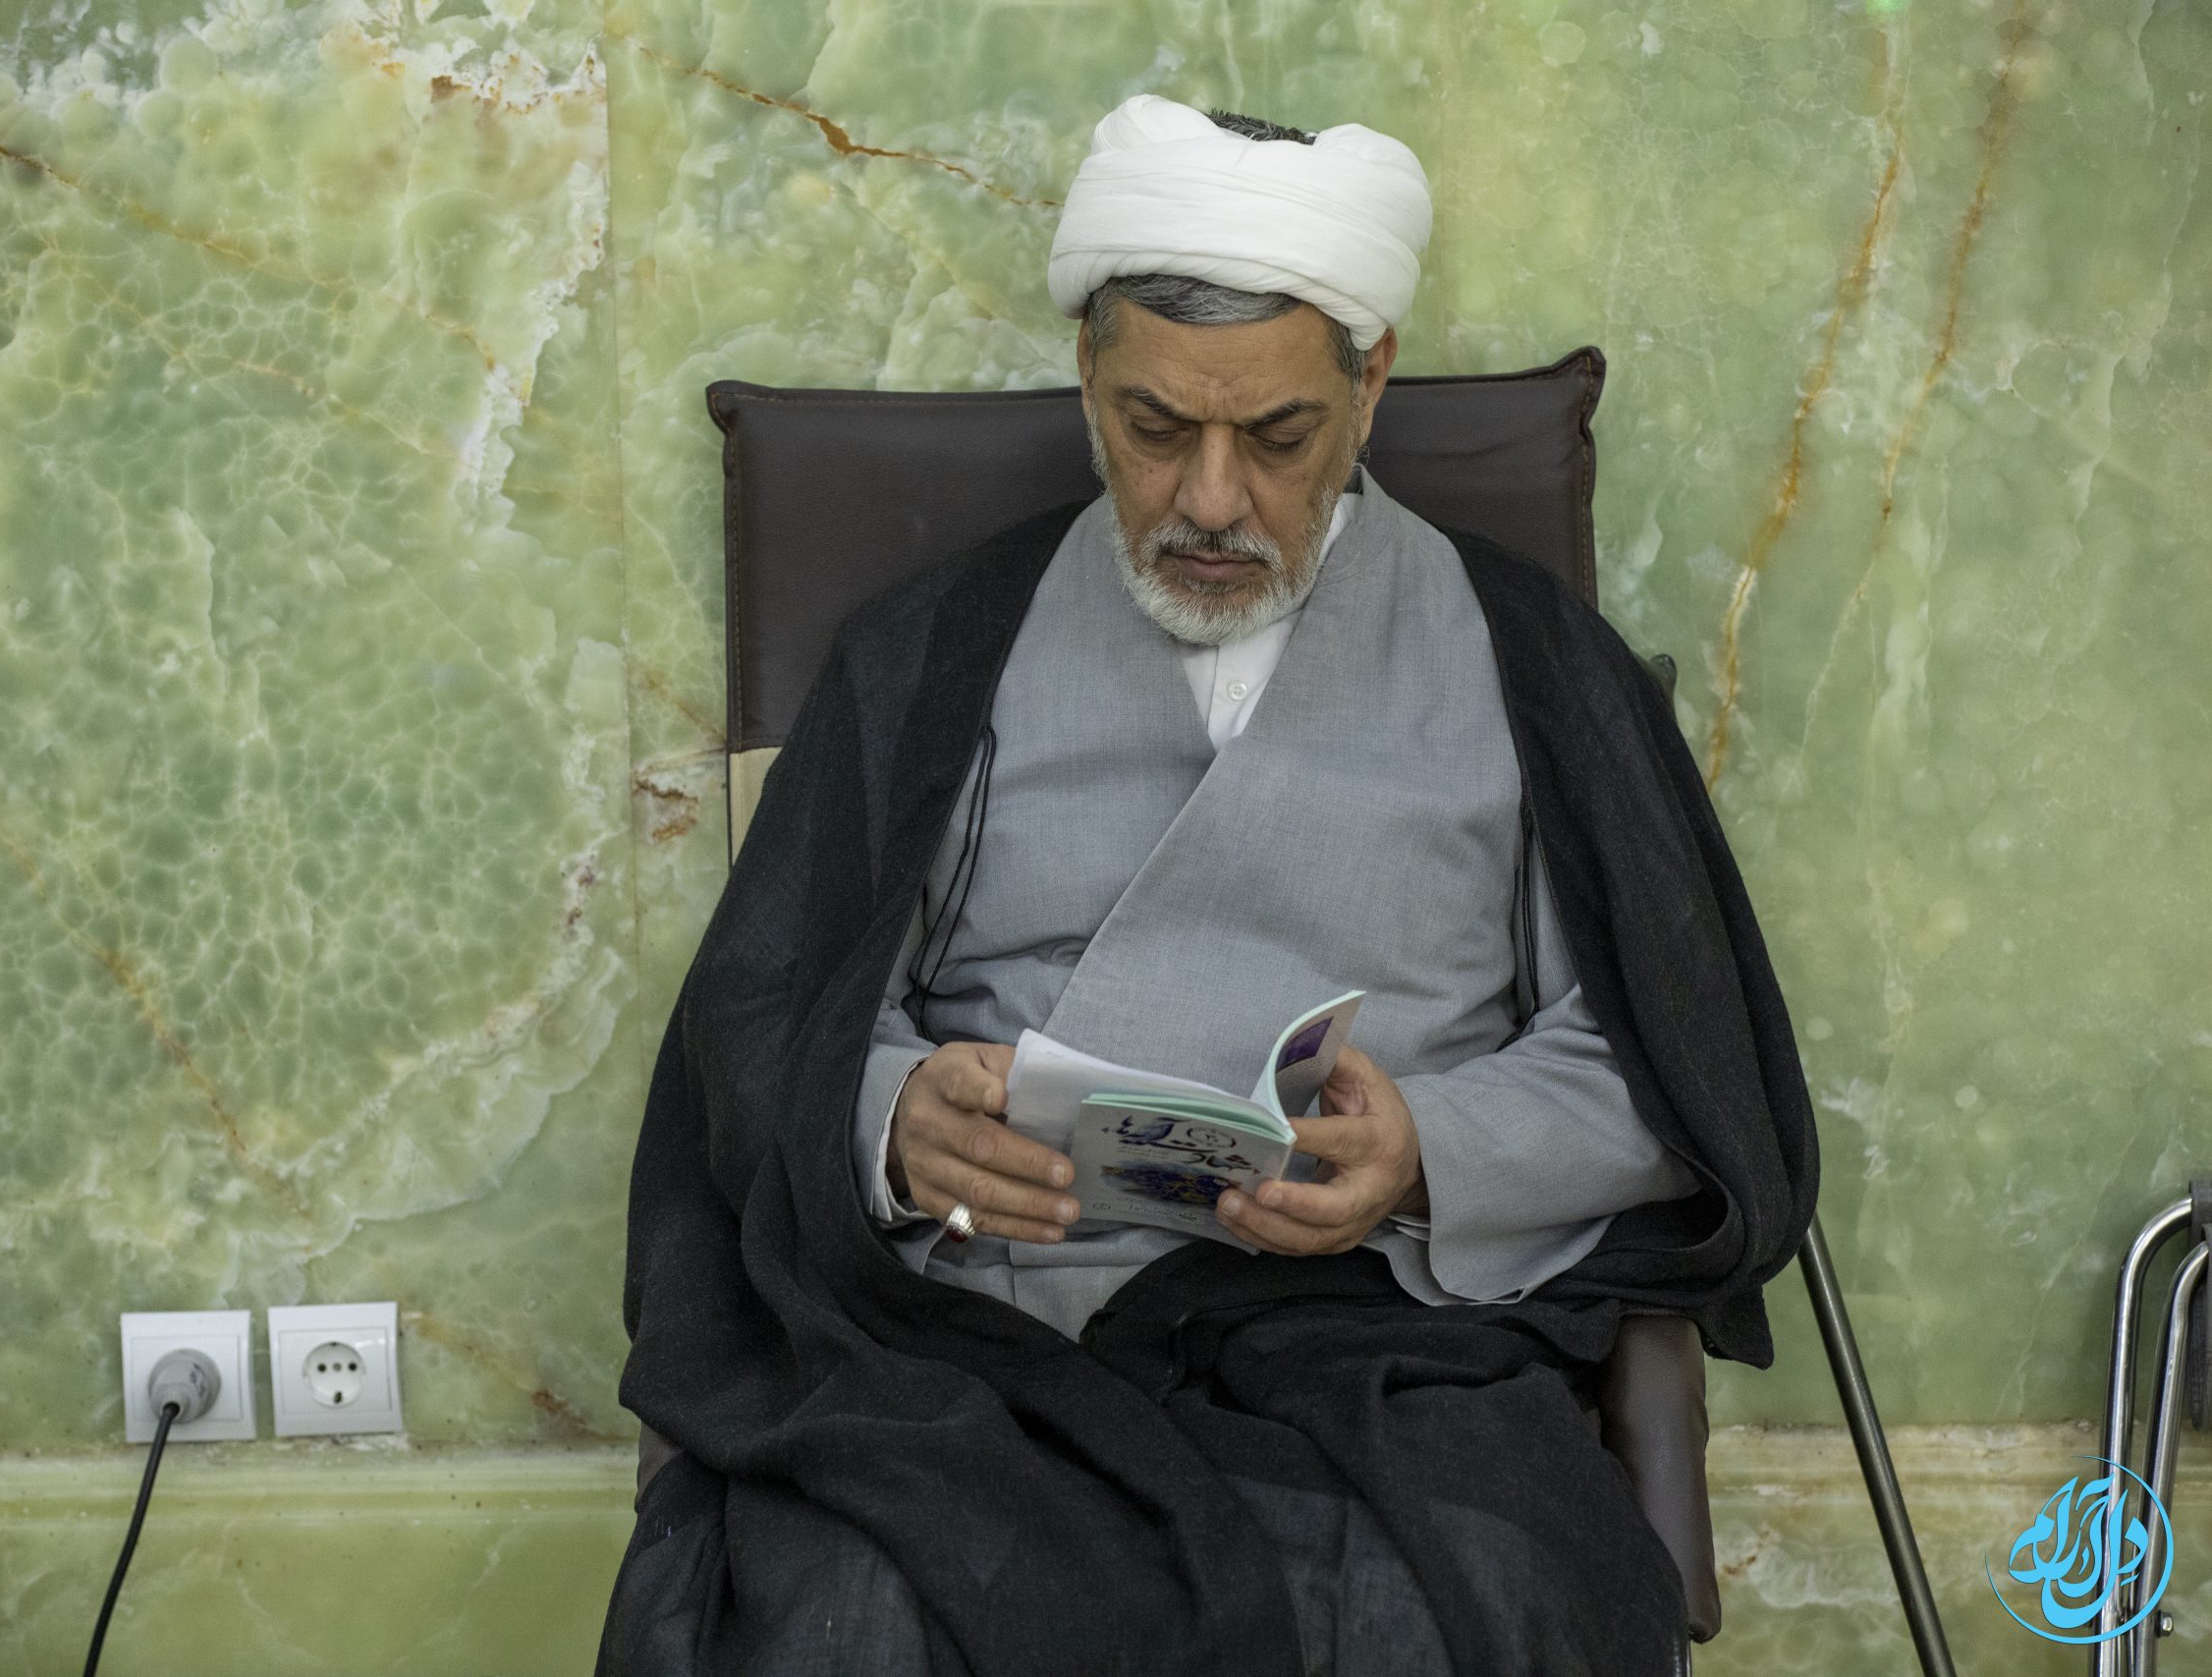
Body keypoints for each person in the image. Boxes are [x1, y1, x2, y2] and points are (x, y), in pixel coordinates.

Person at [602, 95, 1817, 1677]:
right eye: (1155, 428)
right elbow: (768, 1013)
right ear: (1088, 380)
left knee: (1456, 1601)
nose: (1211, 502)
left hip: (1391, 1341)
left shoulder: (1533, 666)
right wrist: (893, 1119)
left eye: (1279, 437)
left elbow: (1666, 1061)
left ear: (1370, 385)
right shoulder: (933, 649)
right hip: (975, 1335)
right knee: (846, 1612)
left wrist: (1428, 1151)